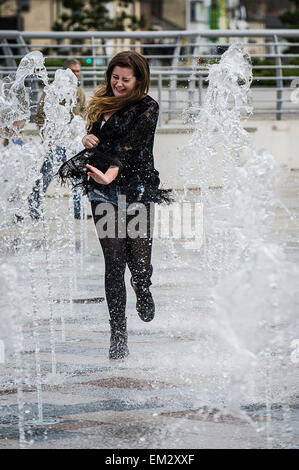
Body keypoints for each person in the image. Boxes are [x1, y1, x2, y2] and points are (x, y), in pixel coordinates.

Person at [59, 50, 172, 360]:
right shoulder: (102, 102)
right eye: (115, 77)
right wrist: (88, 140)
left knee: (137, 263)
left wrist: (113, 171)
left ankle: (142, 285)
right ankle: (118, 334)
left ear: (139, 80)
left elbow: (133, 146)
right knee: (113, 263)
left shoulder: (147, 107)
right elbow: (98, 136)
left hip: (135, 189)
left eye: (126, 79)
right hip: (102, 190)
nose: (119, 84)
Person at [28, 59, 87, 220]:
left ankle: (77, 210)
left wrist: (81, 133)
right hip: (57, 141)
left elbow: (84, 113)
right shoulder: (52, 90)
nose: (77, 74)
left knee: (77, 175)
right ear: (65, 72)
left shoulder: (78, 91)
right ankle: (32, 206)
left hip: (74, 141)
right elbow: (40, 116)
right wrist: (47, 136)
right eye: (74, 71)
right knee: (46, 174)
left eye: (78, 71)